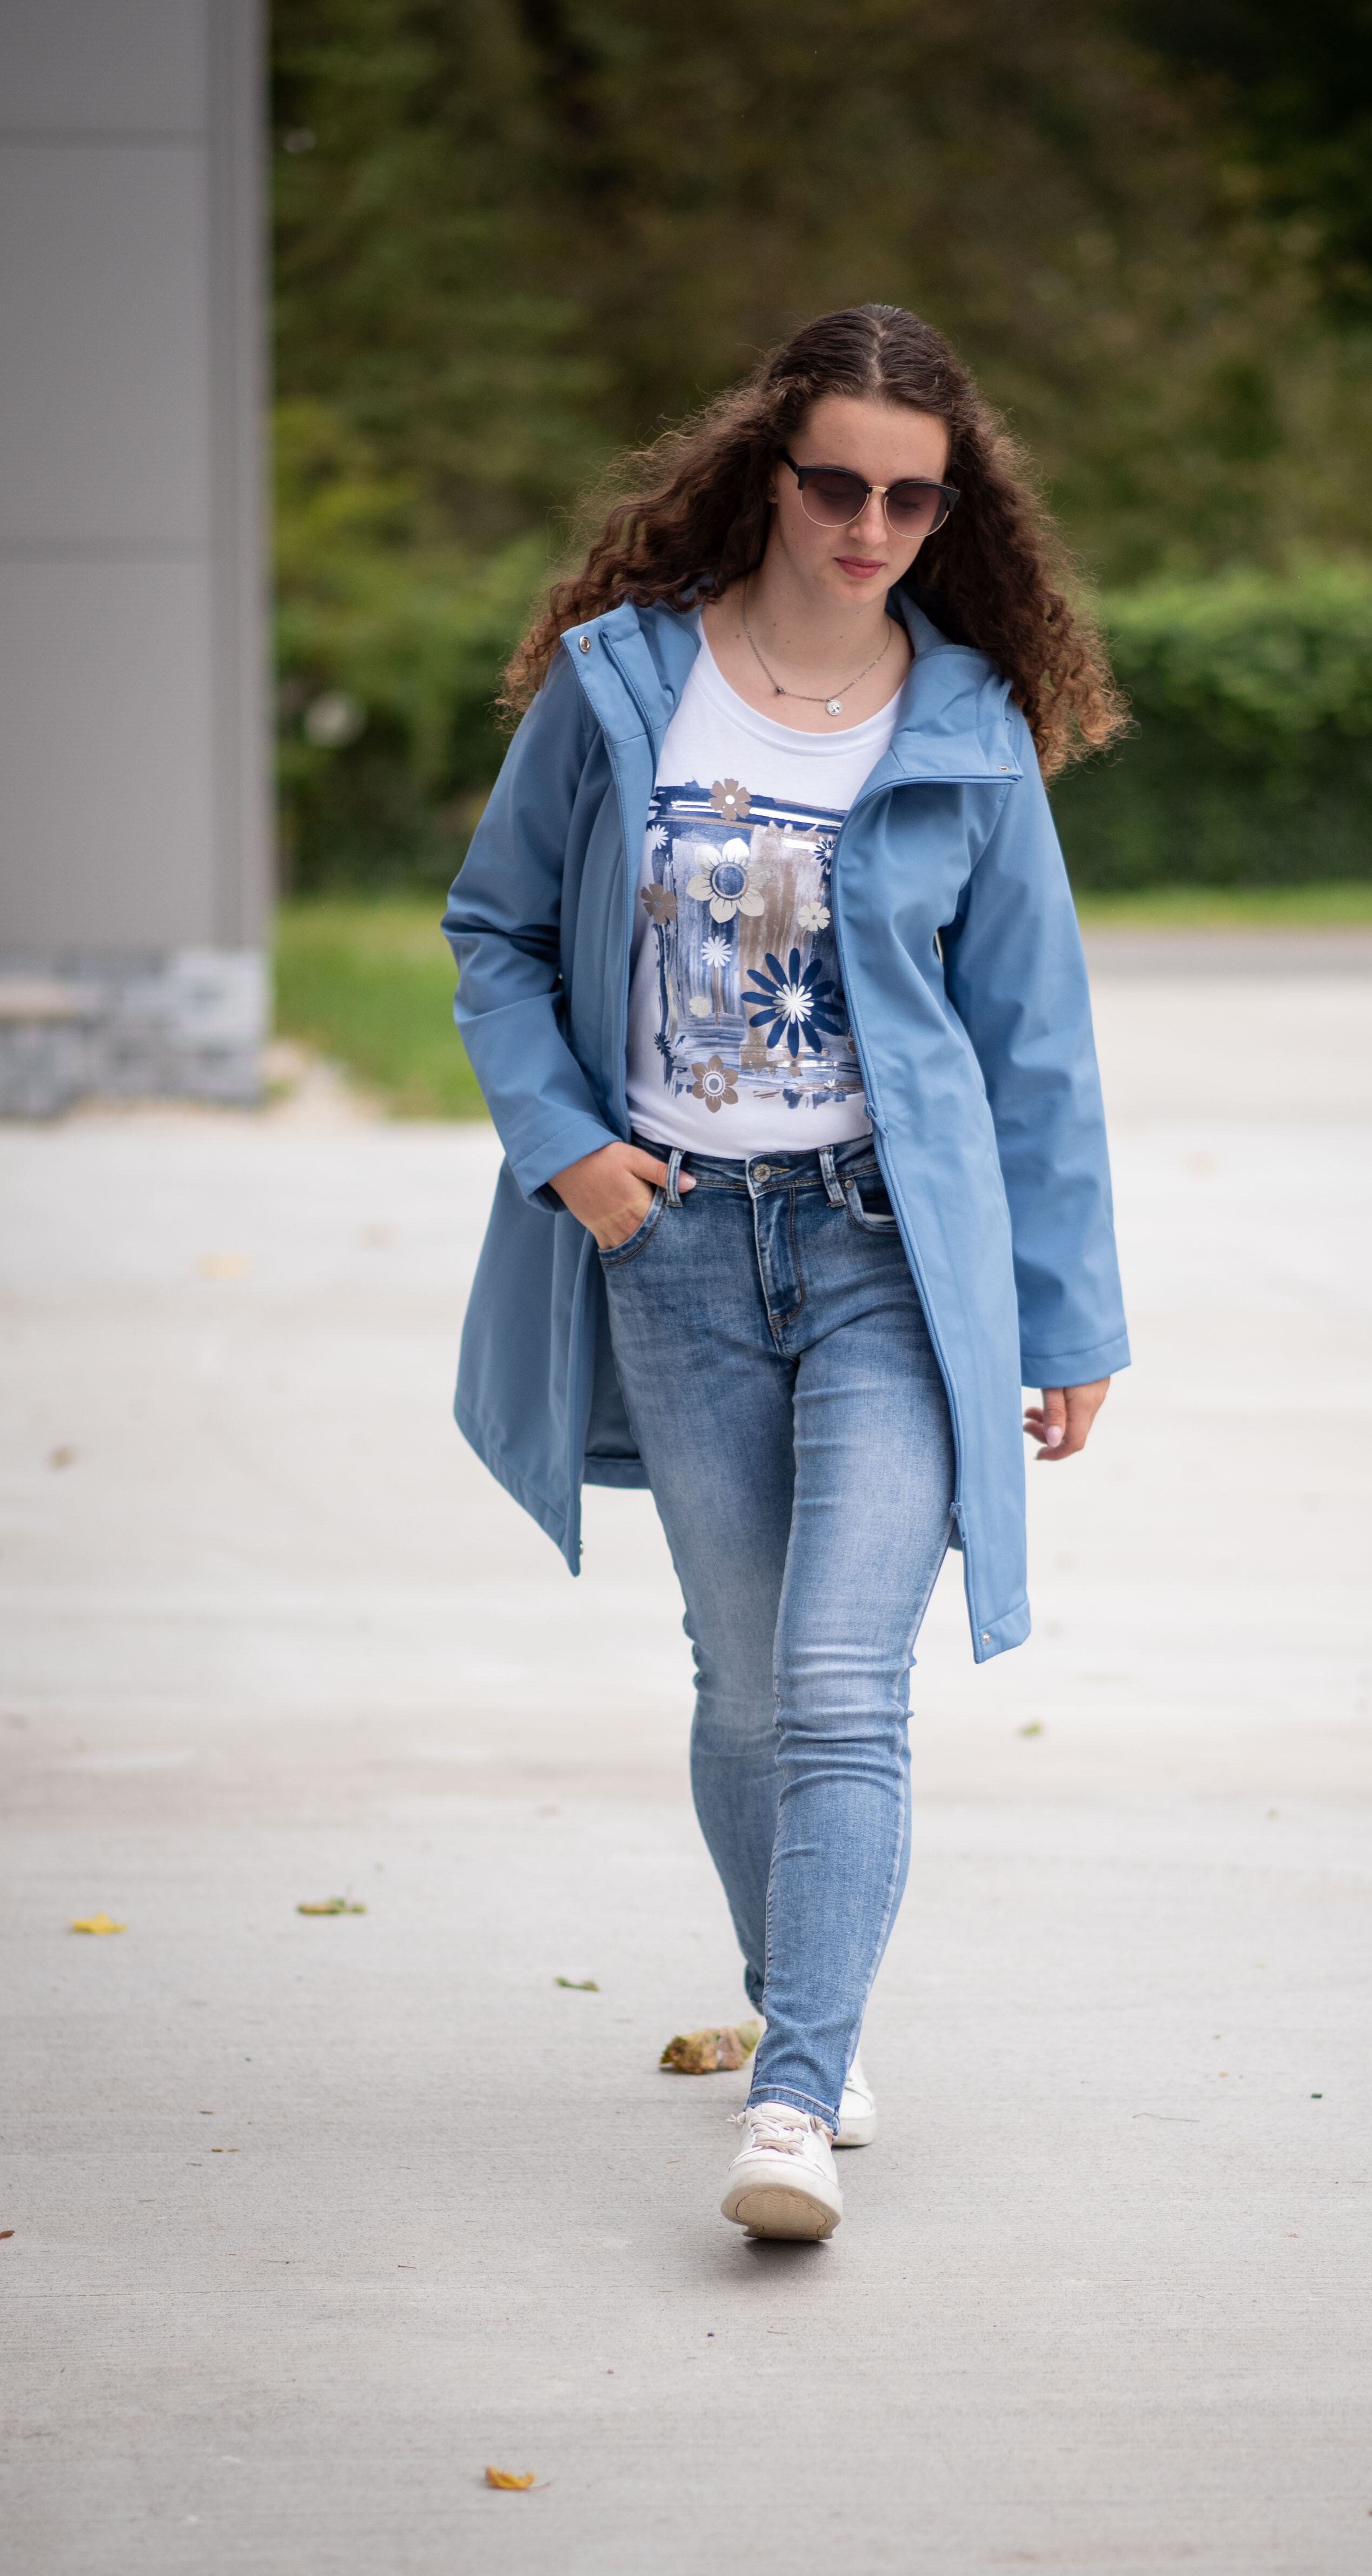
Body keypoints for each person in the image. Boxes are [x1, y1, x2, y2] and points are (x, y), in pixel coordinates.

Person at [443, 303, 1130, 2241]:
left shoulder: (968, 727)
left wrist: (1069, 1313)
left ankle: (795, 2095)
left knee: (840, 1682)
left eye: (913, 500)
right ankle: (797, 2001)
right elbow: (495, 928)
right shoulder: (624, 683)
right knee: (743, 1685)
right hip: (669, 1244)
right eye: (837, 484)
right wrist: (566, 1145)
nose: (869, 527)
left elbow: (1036, 1038)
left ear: (950, 512)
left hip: (885, 1252)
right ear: (768, 472)